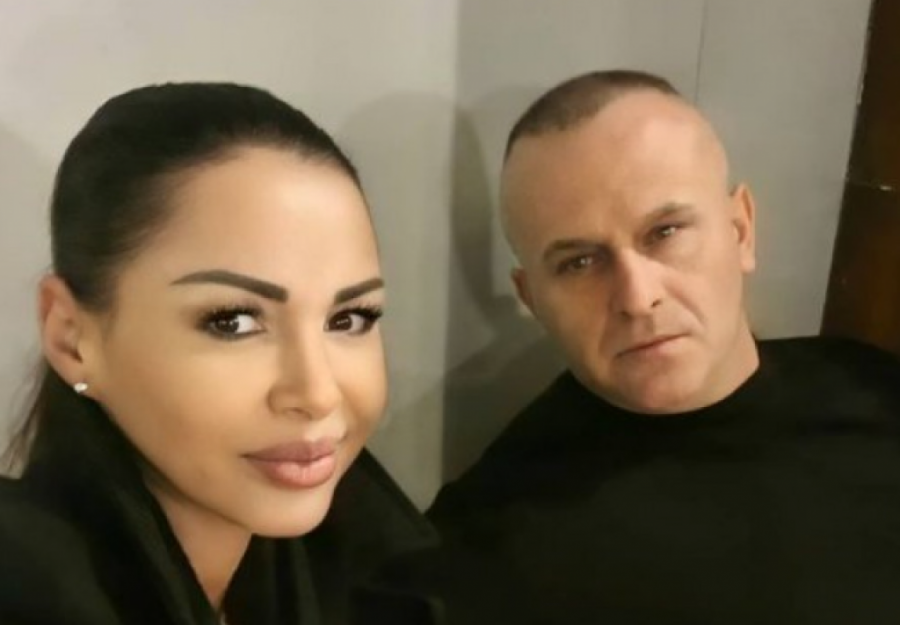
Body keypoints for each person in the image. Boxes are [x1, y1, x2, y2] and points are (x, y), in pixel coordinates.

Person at [419, 70, 900, 624]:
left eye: (665, 232)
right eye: (579, 262)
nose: (637, 297)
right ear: (532, 297)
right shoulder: (485, 543)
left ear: (740, 230)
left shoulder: (871, 385)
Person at [0, 83, 438, 625]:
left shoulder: (376, 574)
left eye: (348, 319)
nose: (318, 393)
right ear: (71, 338)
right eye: (232, 322)